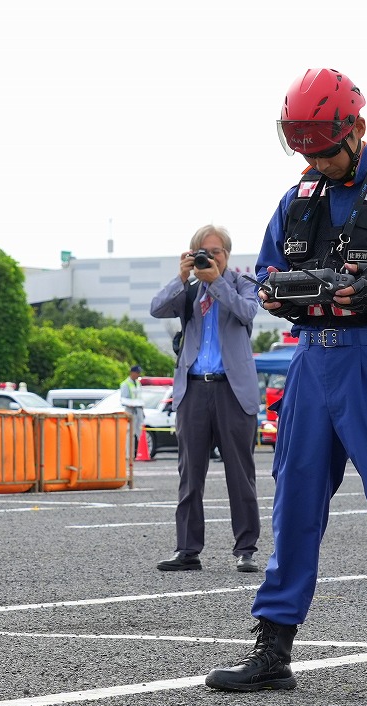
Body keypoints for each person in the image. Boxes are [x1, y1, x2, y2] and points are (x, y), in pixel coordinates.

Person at [205, 69, 367, 701]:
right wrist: (275, 288)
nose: (316, 161)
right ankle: (272, 649)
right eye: (306, 151)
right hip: (310, 364)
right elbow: (269, 266)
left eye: (324, 148)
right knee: (294, 506)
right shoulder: (297, 196)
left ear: (356, 129)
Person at [149, 224, 262, 574]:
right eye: (202, 252)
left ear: (227, 254)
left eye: (215, 252)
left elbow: (247, 313)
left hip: (232, 388)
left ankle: (246, 549)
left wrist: (216, 281)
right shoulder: (190, 289)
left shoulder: (242, 284)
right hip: (193, 387)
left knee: (240, 474)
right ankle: (187, 549)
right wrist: (181, 278)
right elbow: (157, 309)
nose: (208, 257)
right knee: (190, 473)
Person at [118, 365, 145, 460]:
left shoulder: (138, 383)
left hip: (138, 411)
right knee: (129, 433)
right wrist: (133, 404)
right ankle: (128, 455)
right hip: (130, 411)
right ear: (132, 373)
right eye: (137, 373)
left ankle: (135, 454)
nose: (138, 375)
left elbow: (139, 396)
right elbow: (124, 399)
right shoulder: (125, 384)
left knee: (137, 433)